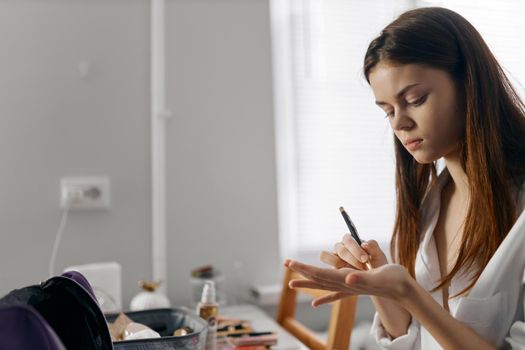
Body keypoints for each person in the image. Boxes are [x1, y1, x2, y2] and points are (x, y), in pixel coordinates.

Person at [284, 6, 525, 350]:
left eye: (415, 99)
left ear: (470, 83)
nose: (399, 124)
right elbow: (413, 338)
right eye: (387, 111)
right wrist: (379, 285)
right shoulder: (431, 202)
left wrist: (410, 293)